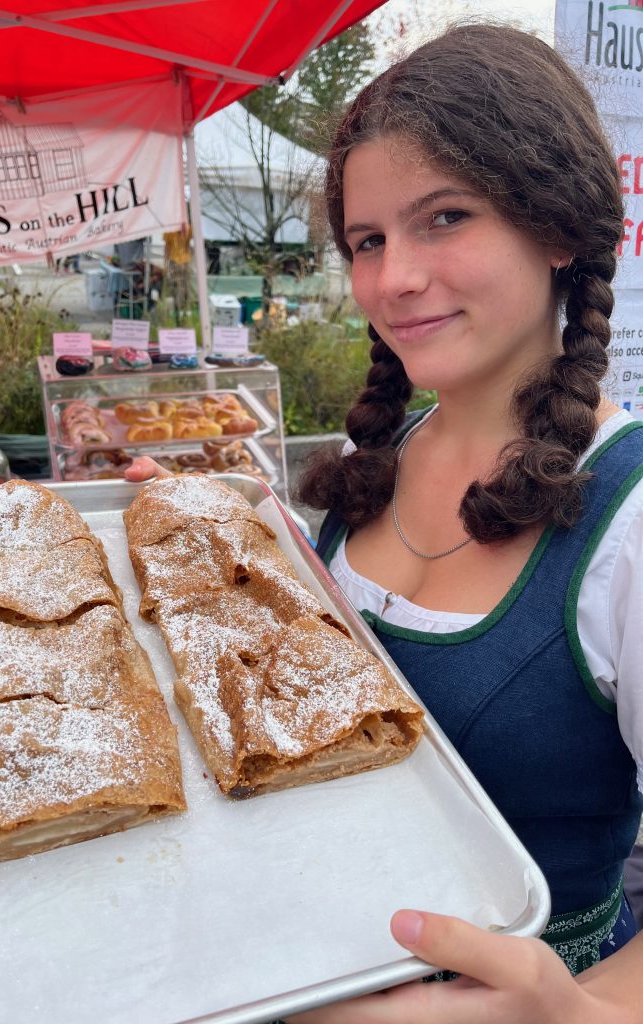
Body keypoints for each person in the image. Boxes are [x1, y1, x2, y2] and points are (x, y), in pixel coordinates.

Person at [127, 23, 643, 1022]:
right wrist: (212, 536)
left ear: (559, 228)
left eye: (444, 218)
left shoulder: (630, 519)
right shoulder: (386, 457)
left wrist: (581, 1012)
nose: (392, 279)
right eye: (368, 241)